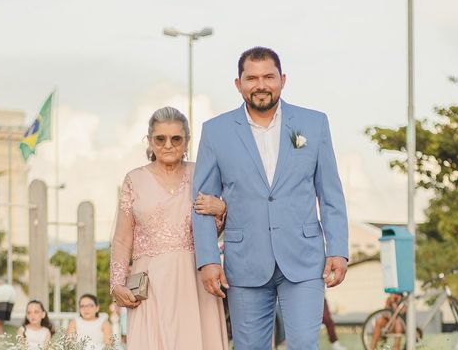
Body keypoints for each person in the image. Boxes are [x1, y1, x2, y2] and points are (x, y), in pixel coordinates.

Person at [193, 46, 349, 349]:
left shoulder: (314, 124)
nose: (260, 85)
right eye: (251, 78)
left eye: (268, 76)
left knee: (304, 343)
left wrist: (339, 249)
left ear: (283, 80)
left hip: (304, 260)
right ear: (238, 84)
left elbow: (330, 193)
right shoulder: (215, 131)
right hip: (244, 262)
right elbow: (202, 203)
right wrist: (208, 260)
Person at [110, 107, 228, 349]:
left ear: (187, 141)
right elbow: (122, 239)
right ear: (150, 141)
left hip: (196, 279)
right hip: (150, 283)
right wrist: (116, 283)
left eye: (176, 138)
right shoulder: (134, 179)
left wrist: (222, 208)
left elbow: (218, 226)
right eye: (160, 139)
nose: (168, 145)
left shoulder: (202, 174)